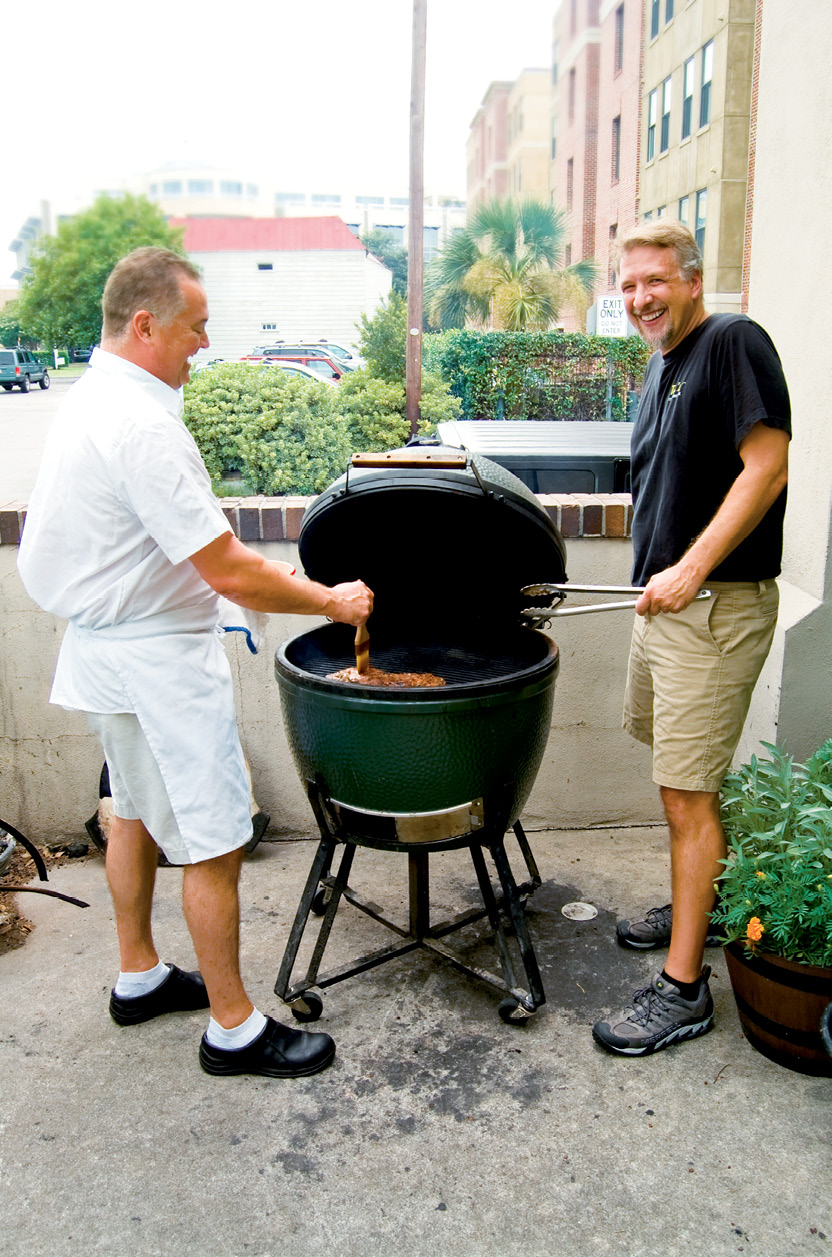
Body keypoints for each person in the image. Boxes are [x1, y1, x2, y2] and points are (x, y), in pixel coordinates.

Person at [18, 247, 373, 1079]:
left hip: (108, 651)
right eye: (195, 326)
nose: (204, 343)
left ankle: (139, 974)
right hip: (158, 664)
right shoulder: (140, 422)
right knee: (215, 840)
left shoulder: (92, 396)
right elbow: (227, 568)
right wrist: (331, 600)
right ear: (145, 324)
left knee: (133, 810)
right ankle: (235, 1029)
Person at [591, 222, 790, 1057]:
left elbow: (768, 462)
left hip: (712, 605)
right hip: (669, 605)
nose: (641, 298)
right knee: (682, 777)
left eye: (655, 282)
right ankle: (700, 896)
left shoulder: (732, 341)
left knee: (686, 792)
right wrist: (657, 576)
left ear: (694, 279)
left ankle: (684, 990)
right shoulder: (662, 365)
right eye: (629, 285)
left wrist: (689, 568)